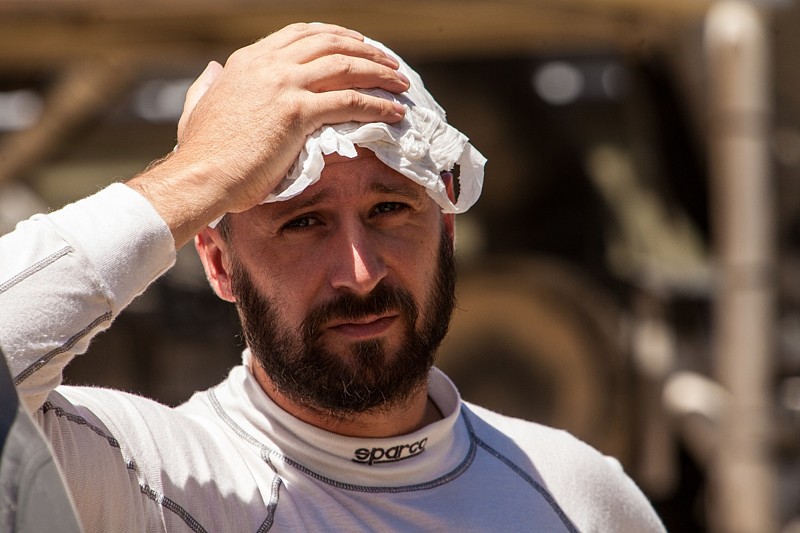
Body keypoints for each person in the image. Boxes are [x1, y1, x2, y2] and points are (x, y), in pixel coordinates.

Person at [0, 22, 664, 532]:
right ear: (220, 263)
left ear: (448, 230)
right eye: (304, 223)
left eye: (389, 209)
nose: (360, 272)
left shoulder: (576, 494)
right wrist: (198, 175)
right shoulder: (147, 480)